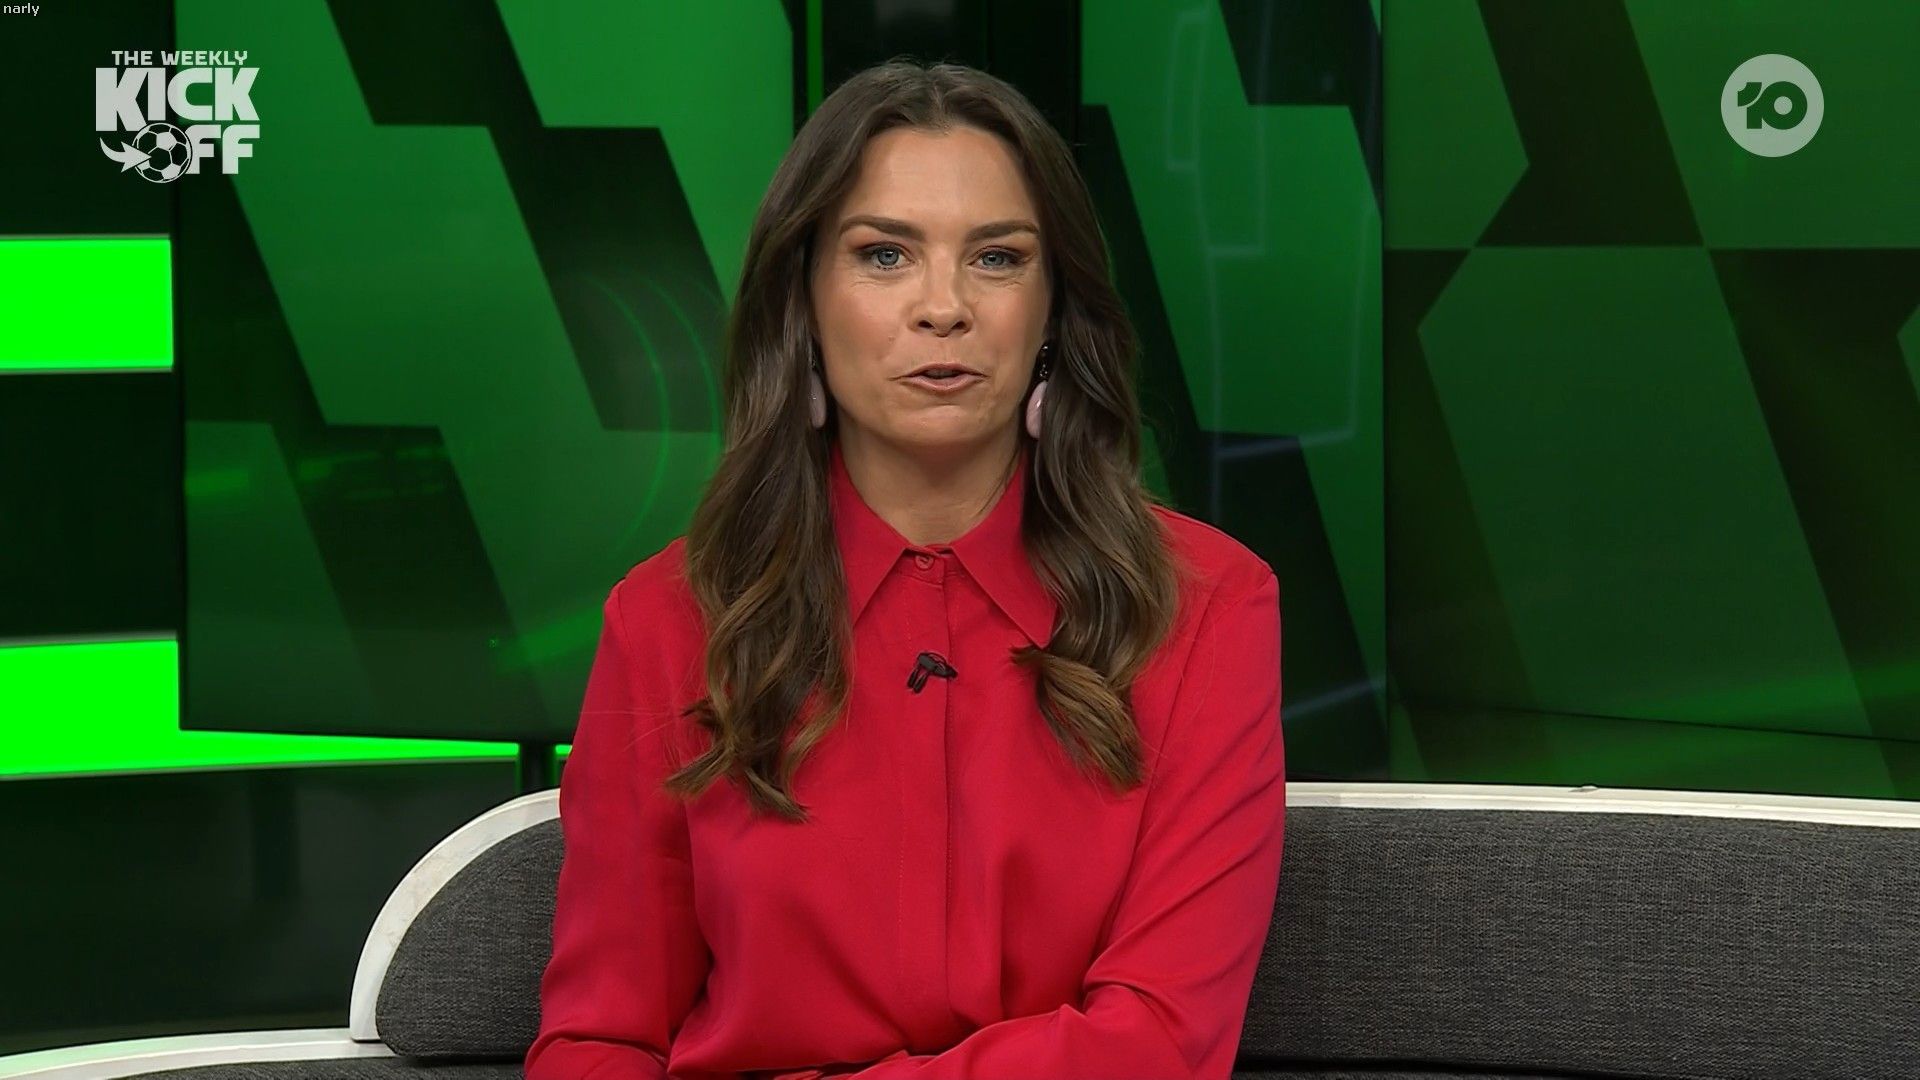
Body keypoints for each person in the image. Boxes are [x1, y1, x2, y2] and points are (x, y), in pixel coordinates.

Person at [525, 58, 1284, 1080]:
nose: (943, 307)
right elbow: (602, 1039)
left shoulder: (1206, 607)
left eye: (997, 258)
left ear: (1054, 311)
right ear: (803, 301)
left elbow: (1162, 1041)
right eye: (884, 255)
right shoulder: (669, 617)